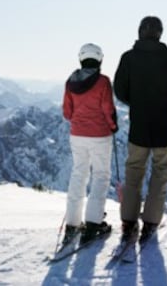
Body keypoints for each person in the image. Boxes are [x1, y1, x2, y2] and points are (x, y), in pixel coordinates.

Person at [113, 16, 167, 243]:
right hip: (165, 129)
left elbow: (119, 90)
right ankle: (151, 222)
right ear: (160, 33)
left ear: (139, 32)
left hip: (139, 127)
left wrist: (134, 101)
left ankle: (128, 221)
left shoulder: (128, 58)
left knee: (134, 173)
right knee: (160, 173)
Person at [61, 43, 118, 245]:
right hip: (100, 135)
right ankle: (93, 224)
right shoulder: (103, 82)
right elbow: (108, 108)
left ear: (81, 59)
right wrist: (113, 125)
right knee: (101, 176)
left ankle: (72, 223)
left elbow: (67, 113)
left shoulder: (71, 82)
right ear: (100, 59)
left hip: (77, 135)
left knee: (79, 174)